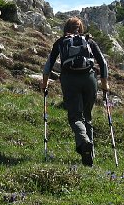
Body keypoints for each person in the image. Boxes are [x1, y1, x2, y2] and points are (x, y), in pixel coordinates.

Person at [41, 17, 109, 166]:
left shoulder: (61, 42)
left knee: (75, 117)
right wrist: (105, 85)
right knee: (87, 117)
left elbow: (48, 66)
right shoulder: (89, 41)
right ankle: (89, 157)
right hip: (89, 79)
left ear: (66, 28)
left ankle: (84, 141)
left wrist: (44, 85)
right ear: (81, 28)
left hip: (70, 80)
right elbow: (103, 63)